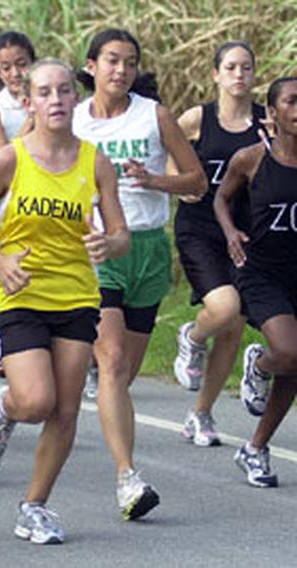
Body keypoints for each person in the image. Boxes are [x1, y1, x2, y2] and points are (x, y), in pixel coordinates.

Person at [0, 59, 129, 543]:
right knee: (34, 400)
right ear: (28, 102)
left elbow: (120, 234)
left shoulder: (95, 161)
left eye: (64, 91)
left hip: (75, 294)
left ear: (76, 98)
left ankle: (34, 506)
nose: (55, 100)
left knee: (65, 410)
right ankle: (3, 413)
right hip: (19, 292)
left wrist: (110, 245)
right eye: (44, 93)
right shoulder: (11, 158)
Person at [73, 28, 207, 520]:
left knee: (122, 374)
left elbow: (196, 180)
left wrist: (154, 179)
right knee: (110, 361)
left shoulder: (155, 115)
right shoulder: (73, 121)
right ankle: (127, 478)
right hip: (96, 249)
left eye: (130, 62)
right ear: (91, 66)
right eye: (112, 60)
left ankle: (14, 406)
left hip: (148, 251)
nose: (121, 70)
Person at [172, 41, 265, 445]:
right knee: (224, 308)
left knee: (234, 326)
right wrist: (181, 183)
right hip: (199, 228)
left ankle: (201, 414)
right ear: (216, 75)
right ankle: (192, 336)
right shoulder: (198, 118)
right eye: (230, 67)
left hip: (247, 231)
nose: (239, 75)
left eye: (246, 67)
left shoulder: (267, 121)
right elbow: (167, 148)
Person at [215, 76, 297, 488]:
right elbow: (220, 198)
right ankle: (259, 362)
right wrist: (230, 232)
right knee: (288, 351)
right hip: (261, 271)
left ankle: (255, 448)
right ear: (273, 113)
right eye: (292, 102)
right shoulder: (251, 159)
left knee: (295, 365)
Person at [0, 31, 36, 150]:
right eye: (6, 68)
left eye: (22, 64)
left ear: (34, 64)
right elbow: (2, 157)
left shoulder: (49, 100)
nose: (15, 73)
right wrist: (32, 118)